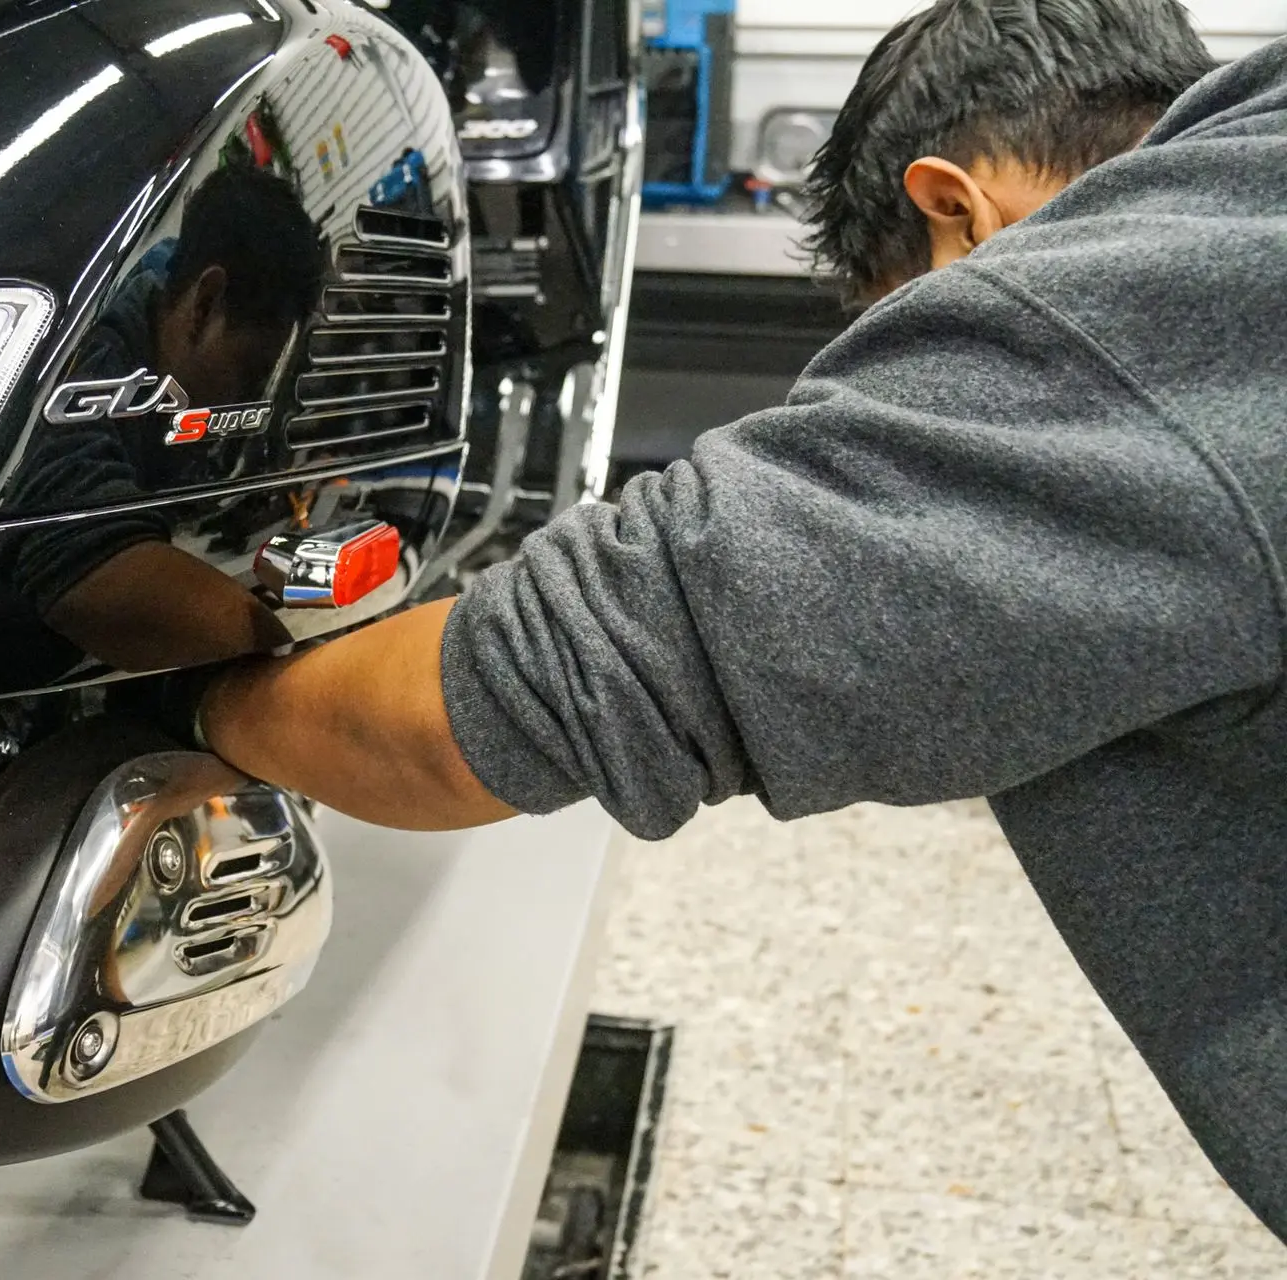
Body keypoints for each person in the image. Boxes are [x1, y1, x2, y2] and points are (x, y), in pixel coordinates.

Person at [192, 0, 1287, 1244]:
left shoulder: (1120, 334)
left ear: (958, 208)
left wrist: (192, 698)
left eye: (909, 333)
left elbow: (514, 693)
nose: (912, 393)